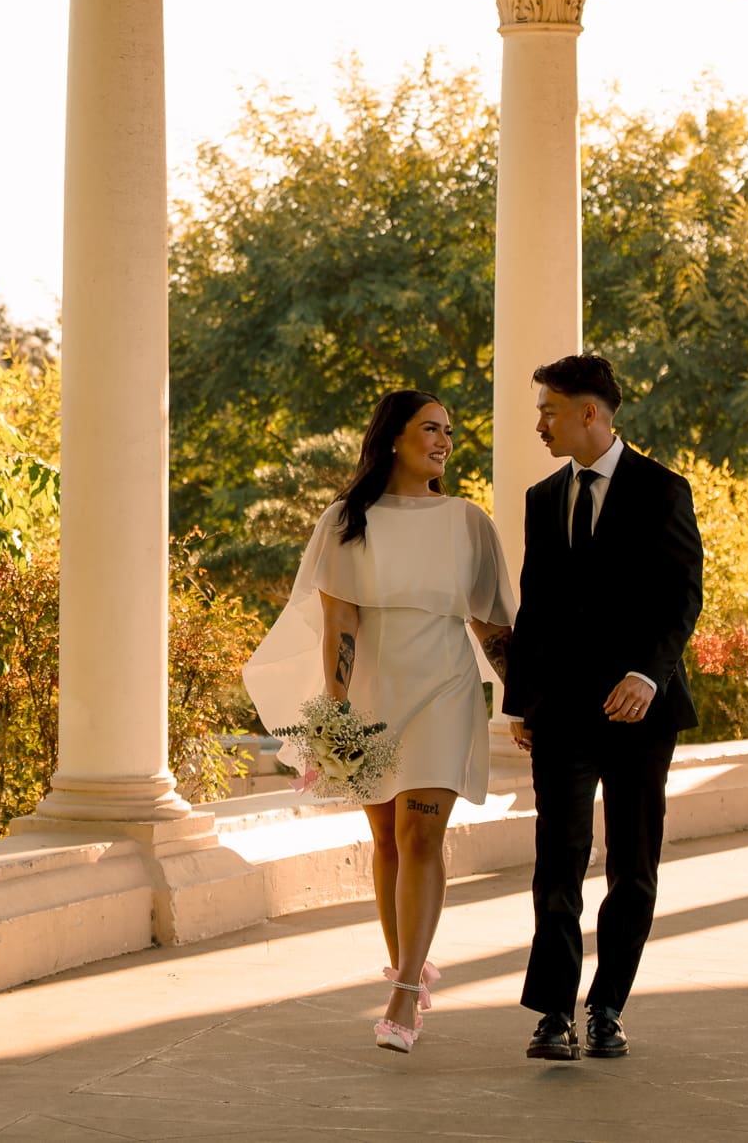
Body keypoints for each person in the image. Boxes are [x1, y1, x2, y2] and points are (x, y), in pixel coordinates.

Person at [241, 388, 516, 1054]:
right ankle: (409, 967)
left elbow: (494, 625)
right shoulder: (346, 519)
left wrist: (523, 700)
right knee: (389, 838)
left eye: (449, 430)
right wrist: (334, 716)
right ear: (394, 435)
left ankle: (400, 999)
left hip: (448, 686)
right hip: (374, 691)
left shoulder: (468, 521)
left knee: (423, 833)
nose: (445, 440)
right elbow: (341, 622)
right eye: (431, 427)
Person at [503, 353, 703, 1062]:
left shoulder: (662, 489)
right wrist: (521, 701)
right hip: (559, 711)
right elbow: (535, 607)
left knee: (633, 864)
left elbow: (684, 596)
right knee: (557, 859)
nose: (539, 423)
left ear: (590, 412)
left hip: (640, 713)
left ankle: (608, 1006)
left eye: (549, 409)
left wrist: (648, 674)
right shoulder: (541, 496)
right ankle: (553, 1010)